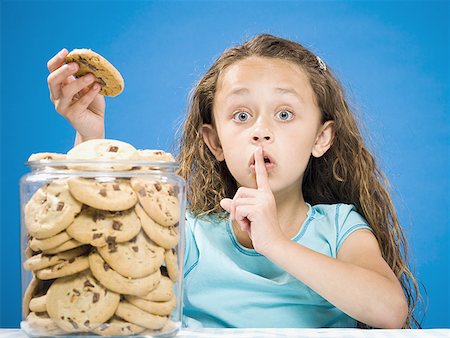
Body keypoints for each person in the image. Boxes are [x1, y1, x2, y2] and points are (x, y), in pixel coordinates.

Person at [46, 34, 421, 329]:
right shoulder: (188, 235)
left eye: (285, 113)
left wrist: (274, 244)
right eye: (242, 115)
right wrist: (90, 136)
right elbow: (96, 268)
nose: (261, 131)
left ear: (321, 138)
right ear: (215, 142)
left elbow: (388, 311)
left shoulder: (340, 229)